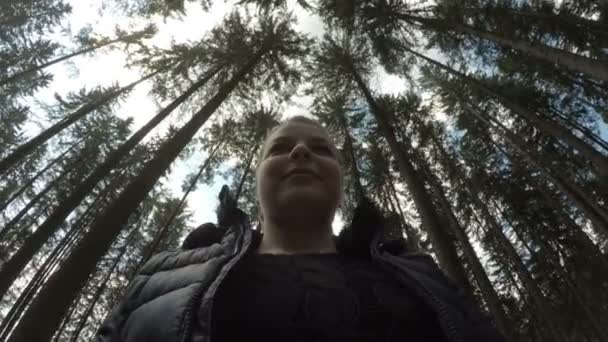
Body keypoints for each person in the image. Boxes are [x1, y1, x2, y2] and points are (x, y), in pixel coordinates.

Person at [95, 116, 505, 342]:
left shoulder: (418, 272)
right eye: (280, 147)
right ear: (256, 178)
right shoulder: (165, 277)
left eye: (322, 148)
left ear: (341, 179)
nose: (301, 151)